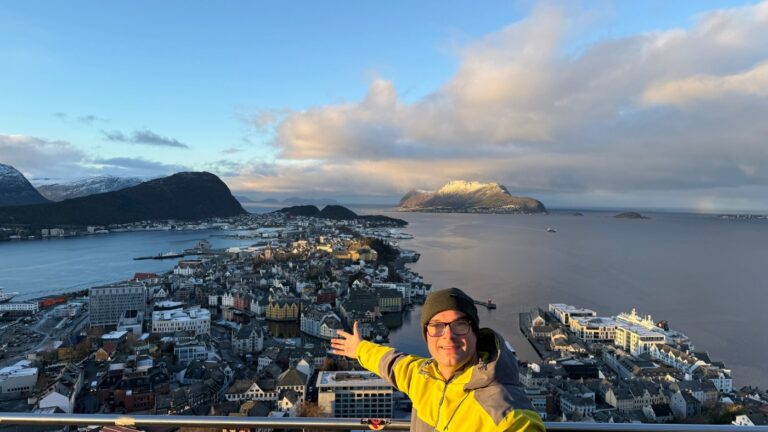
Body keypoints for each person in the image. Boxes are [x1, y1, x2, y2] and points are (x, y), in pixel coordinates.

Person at [331, 287, 545, 432]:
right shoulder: (424, 376)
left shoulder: (506, 409)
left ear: (475, 332)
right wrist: (359, 348)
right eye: (437, 326)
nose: (448, 335)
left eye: (460, 324)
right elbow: (391, 362)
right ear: (427, 335)